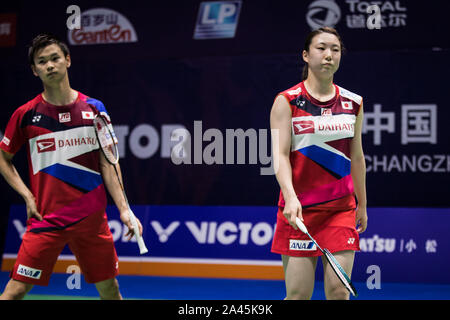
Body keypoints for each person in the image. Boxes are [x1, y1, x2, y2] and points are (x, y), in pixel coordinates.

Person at [0, 33, 143, 300]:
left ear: (67, 60)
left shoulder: (94, 108)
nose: (50, 65)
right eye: (42, 62)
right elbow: (3, 157)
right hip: (46, 219)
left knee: (110, 291)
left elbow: (109, 162)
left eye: (55, 58)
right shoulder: (26, 114)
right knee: (15, 291)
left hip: (91, 218)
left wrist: (125, 210)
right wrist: (27, 195)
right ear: (34, 70)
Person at [270, 27, 367, 300]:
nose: (329, 55)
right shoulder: (287, 101)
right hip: (300, 210)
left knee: (338, 293)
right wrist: (289, 198)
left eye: (335, 50)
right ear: (305, 55)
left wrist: (363, 203)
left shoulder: (353, 103)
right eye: (321, 48)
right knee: (298, 295)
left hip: (341, 209)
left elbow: (357, 156)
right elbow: (279, 155)